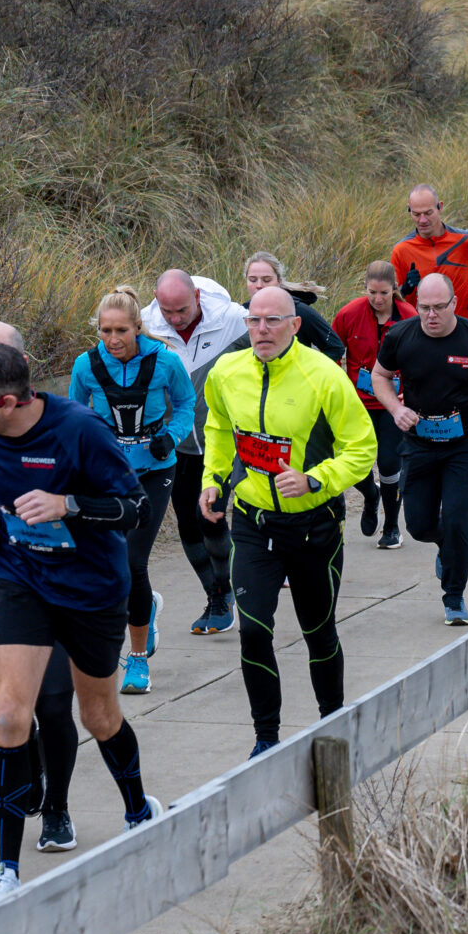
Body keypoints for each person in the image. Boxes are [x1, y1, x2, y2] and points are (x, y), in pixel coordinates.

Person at [0, 342, 162, 908]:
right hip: (21, 581)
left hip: (92, 592)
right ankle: (5, 872)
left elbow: (136, 509)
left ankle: (140, 811)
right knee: (8, 715)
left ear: (8, 402)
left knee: (98, 715)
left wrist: (68, 504)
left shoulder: (80, 431)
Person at [196, 284, 376, 746]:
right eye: (254, 320)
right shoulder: (227, 371)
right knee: (254, 632)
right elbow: (217, 426)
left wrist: (314, 479)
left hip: (314, 527)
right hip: (254, 523)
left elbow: (361, 447)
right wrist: (213, 479)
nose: (261, 330)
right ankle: (266, 739)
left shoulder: (323, 376)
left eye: (273, 320)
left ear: (295, 325)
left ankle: (333, 725)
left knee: (318, 630)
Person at [0, 320, 87, 854]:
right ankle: (28, 774)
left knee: (51, 708)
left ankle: (58, 809)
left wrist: (66, 511)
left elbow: (109, 505)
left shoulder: (62, 428)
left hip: (51, 586)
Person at [373, 274, 468, 625]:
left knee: (457, 519)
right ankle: (445, 544)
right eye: (424, 307)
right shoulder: (400, 336)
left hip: (464, 444)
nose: (431, 315)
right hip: (419, 443)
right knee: (420, 526)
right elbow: (380, 376)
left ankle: (454, 596)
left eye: (439, 307)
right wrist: (396, 409)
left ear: (454, 303)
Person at [68, 287, 196, 695]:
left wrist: (171, 438)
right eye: (105, 330)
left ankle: (137, 660)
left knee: (132, 561)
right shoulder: (86, 366)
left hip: (155, 471)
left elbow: (187, 403)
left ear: (138, 326)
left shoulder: (165, 362)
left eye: (121, 329)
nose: (113, 338)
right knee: (108, 563)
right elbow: (75, 417)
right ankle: (147, 609)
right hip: (108, 475)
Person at [143, 269, 248, 635]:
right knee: (188, 524)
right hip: (176, 445)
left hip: (224, 441)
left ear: (198, 298)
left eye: (182, 310)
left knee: (212, 518)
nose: (174, 319)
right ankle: (216, 594)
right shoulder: (146, 326)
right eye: (167, 311)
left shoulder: (233, 320)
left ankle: (230, 591)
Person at [331, 261, 414, 549]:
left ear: (394, 290)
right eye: (371, 292)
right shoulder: (349, 314)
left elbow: (422, 357)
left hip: (392, 403)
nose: (377, 299)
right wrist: (339, 387)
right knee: (356, 463)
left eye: (383, 293)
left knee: (390, 464)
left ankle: (391, 526)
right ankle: (370, 496)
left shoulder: (409, 317)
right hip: (358, 402)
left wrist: (411, 396)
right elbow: (331, 352)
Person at [392, 185, 468, 318]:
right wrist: (406, 288)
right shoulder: (401, 250)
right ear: (409, 210)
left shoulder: (464, 241)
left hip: (462, 330)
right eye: (416, 214)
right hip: (422, 333)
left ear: (440, 207)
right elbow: (393, 302)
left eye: (428, 213)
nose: (422, 220)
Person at [244, 250, 346, 363]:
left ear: (279, 281)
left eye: (266, 280)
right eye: (252, 280)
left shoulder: (300, 311)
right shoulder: (242, 312)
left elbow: (335, 347)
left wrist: (308, 372)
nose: (259, 285)